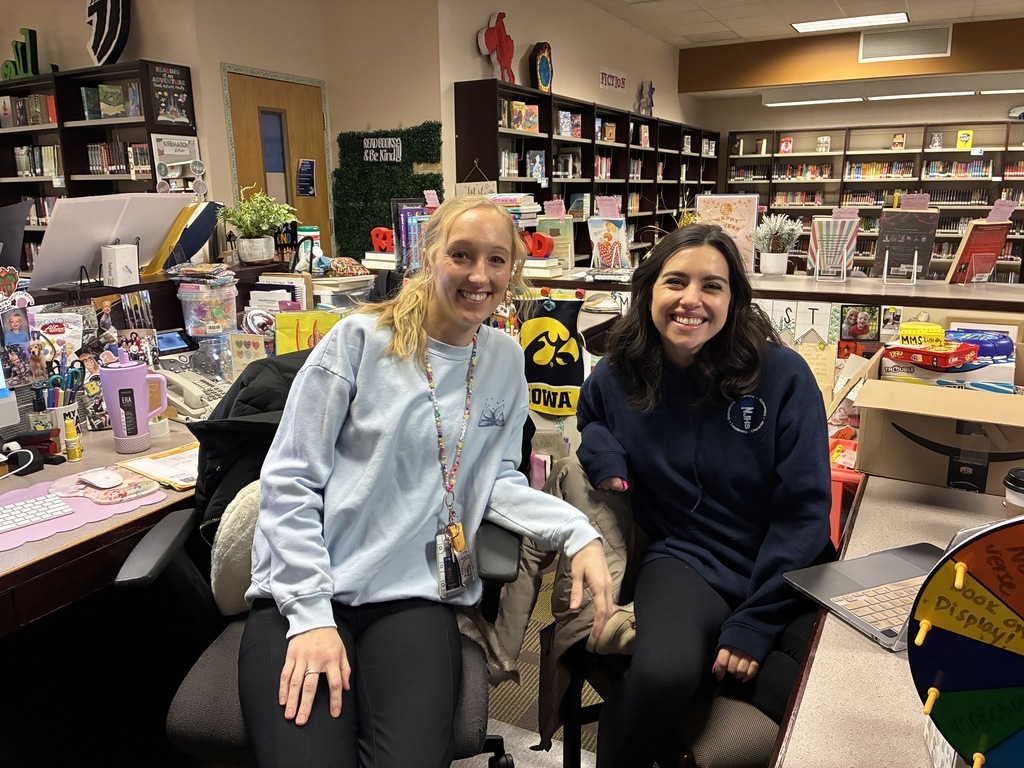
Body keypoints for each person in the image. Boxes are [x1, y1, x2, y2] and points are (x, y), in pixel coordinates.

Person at [238, 194, 612, 768]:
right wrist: (311, 617)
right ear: (429, 256)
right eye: (462, 254)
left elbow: (496, 479)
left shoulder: (507, 361)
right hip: (306, 590)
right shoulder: (359, 341)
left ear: (513, 270)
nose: (478, 275)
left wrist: (576, 531)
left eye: (496, 260)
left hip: (411, 597)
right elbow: (289, 482)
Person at [577, 223, 832, 768]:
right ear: (648, 291)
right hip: (686, 557)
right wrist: (604, 456)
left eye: (712, 286)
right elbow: (592, 416)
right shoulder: (617, 374)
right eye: (675, 282)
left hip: (788, 567)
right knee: (662, 673)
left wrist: (755, 623)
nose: (691, 300)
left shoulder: (783, 376)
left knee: (825, 692)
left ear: (734, 298)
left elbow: (806, 513)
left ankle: (722, 679)